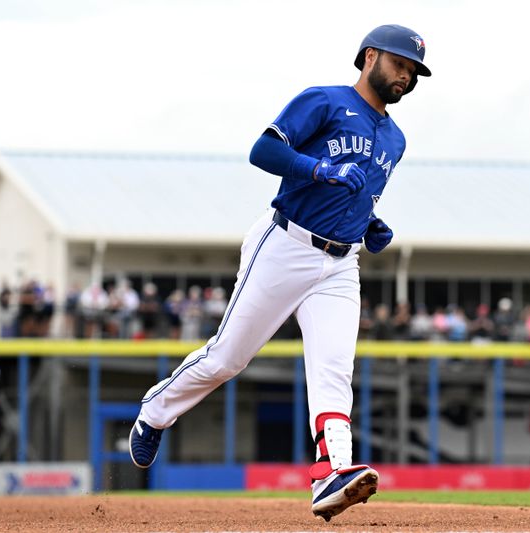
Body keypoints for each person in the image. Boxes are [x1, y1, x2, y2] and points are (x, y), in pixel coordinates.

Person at [129, 24, 431, 522]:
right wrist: (321, 170)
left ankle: (331, 473)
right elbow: (264, 151)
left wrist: (371, 223)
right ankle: (155, 410)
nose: (406, 75)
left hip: (340, 264)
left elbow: (357, 194)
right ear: (369, 56)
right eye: (399, 63)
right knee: (228, 358)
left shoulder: (395, 140)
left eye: (413, 70)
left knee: (334, 372)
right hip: (285, 245)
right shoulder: (325, 101)